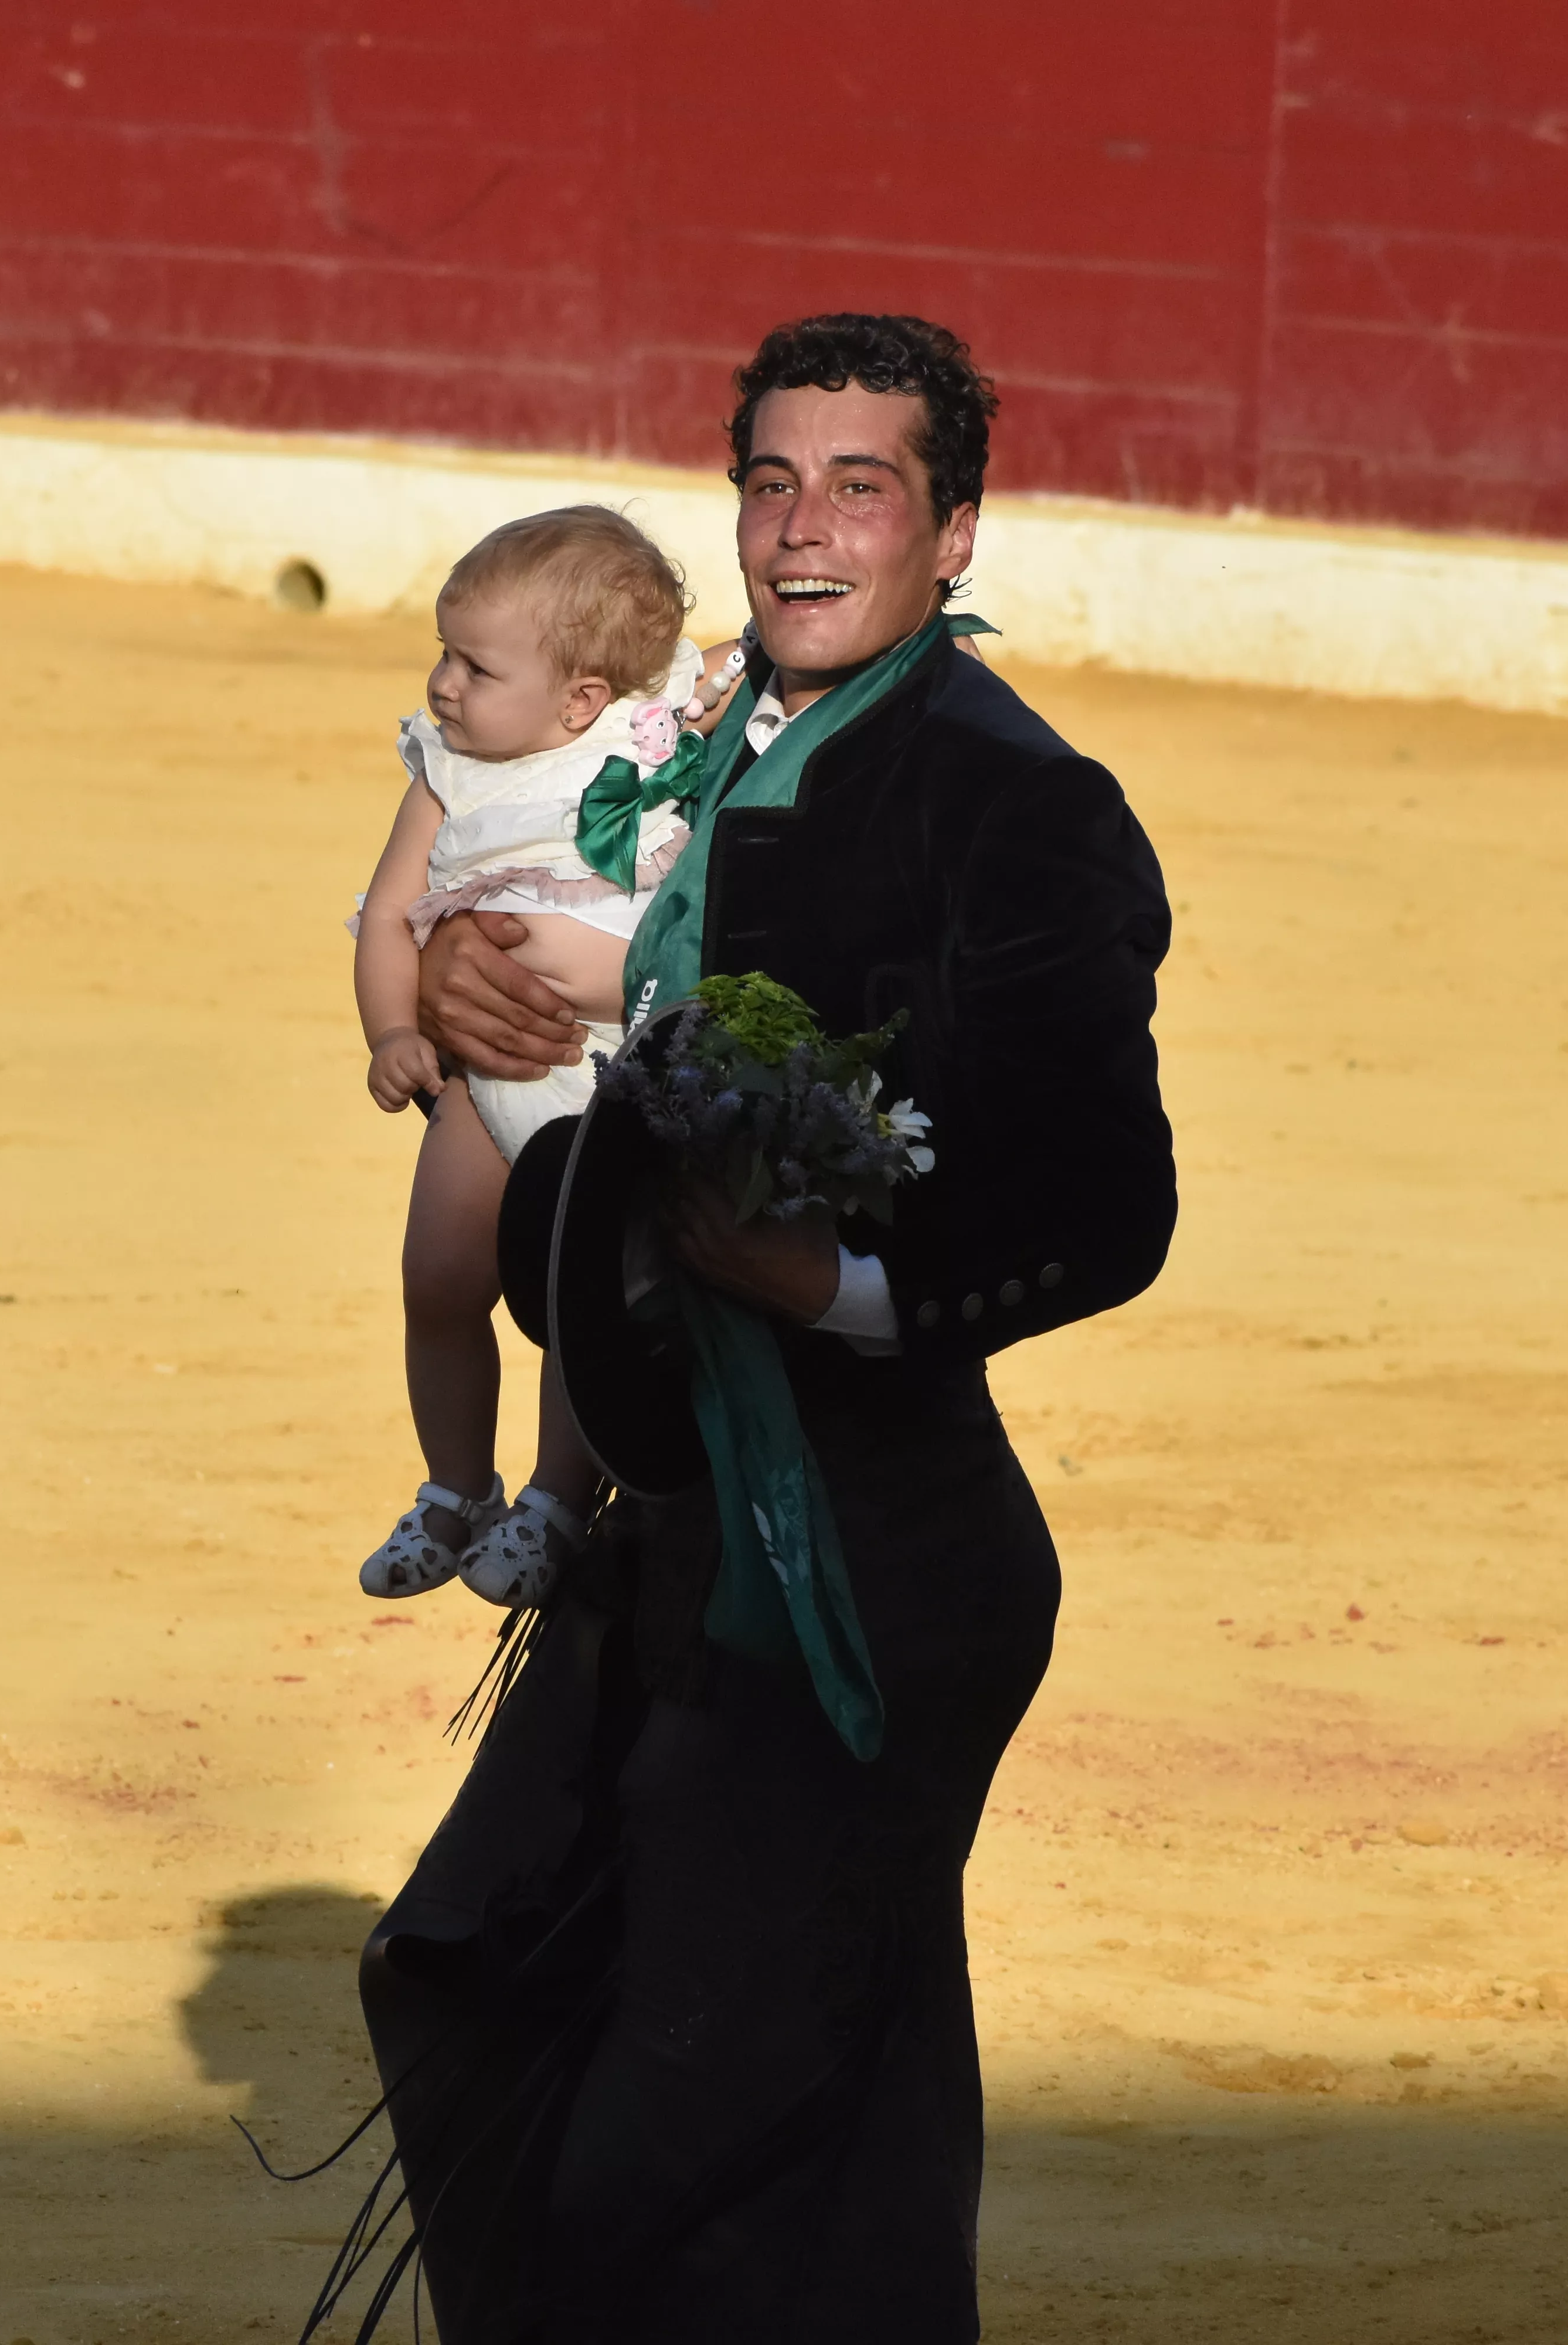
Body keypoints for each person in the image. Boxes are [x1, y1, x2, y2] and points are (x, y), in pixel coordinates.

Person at [348, 315, 1178, 2341]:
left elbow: (1112, 1206)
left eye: (863, 486)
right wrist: (463, 1004)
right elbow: (561, 980)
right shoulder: (693, 737)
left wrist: (841, 1287)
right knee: (475, 1971)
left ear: (954, 534)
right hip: (676, 1527)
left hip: (870, 1563)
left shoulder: (1013, 799)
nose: (805, 530)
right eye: (772, 482)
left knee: (701, 2148)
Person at [348, 507, 715, 1609]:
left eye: (476, 665)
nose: (444, 685)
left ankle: (557, 1499)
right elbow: (385, 915)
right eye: (445, 652)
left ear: (583, 701)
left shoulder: (664, 738)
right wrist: (395, 1031)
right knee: (438, 1279)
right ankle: (455, 1487)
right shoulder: (449, 769)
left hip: (609, 1075)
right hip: (488, 1075)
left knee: (574, 1301)